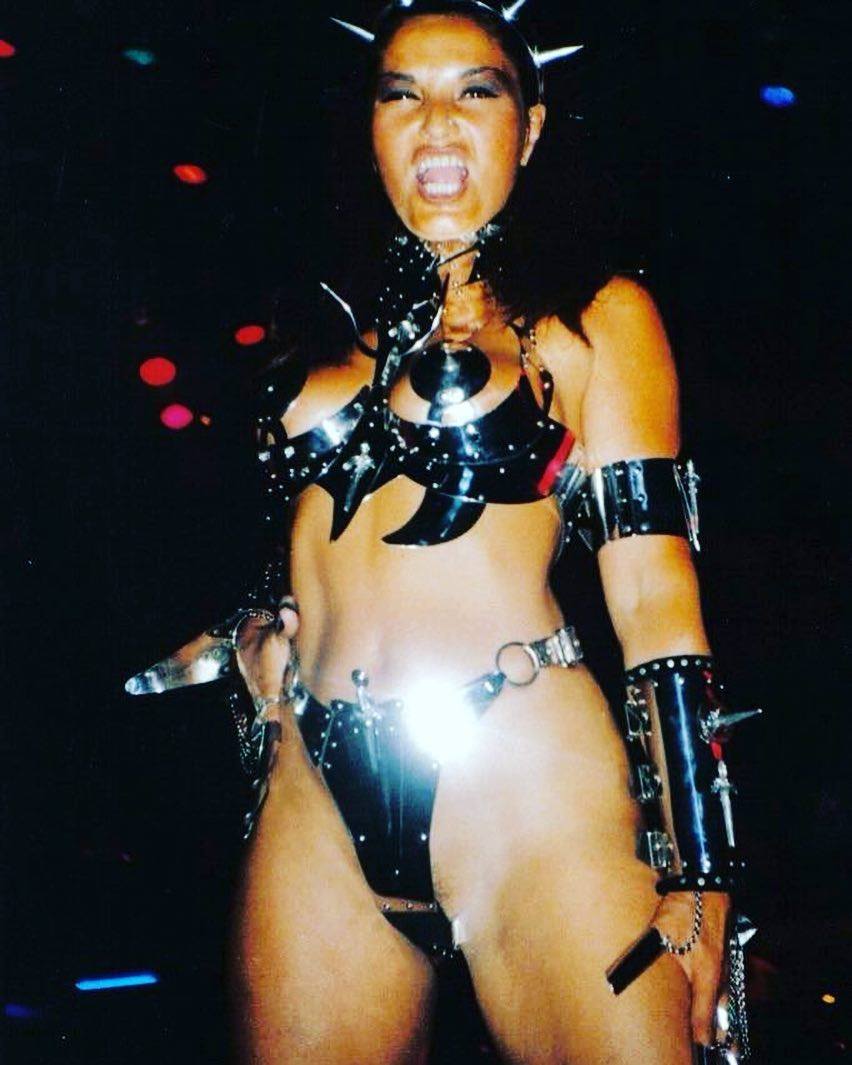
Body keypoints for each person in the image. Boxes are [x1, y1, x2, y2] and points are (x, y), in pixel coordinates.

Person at [127, 3, 755, 1062]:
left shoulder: (595, 319)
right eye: (402, 95)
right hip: (314, 794)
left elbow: (654, 597)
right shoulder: (318, 331)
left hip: (526, 788)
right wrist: (254, 635)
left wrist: (702, 865)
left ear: (531, 127)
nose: (437, 123)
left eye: (476, 91)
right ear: (371, 128)